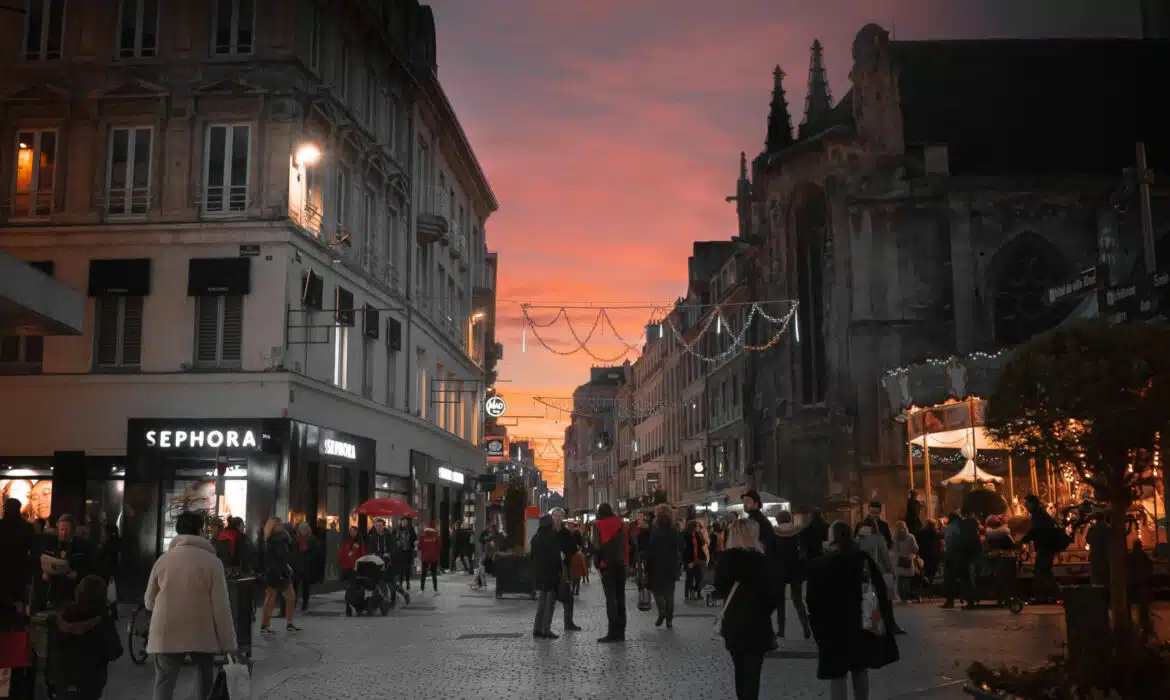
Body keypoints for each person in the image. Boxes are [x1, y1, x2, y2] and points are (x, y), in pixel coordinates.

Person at [145, 511, 237, 700]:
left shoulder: (163, 561)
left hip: (167, 629)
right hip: (201, 630)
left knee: (164, 680)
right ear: (200, 531)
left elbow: (149, 601)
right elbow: (221, 607)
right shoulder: (213, 563)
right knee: (204, 679)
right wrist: (229, 643)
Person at [807, 520, 899, 700]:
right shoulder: (863, 560)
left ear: (832, 538)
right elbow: (880, 591)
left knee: (837, 674)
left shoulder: (821, 564)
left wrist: (816, 627)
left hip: (833, 627)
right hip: (861, 624)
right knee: (859, 669)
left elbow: (813, 600)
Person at [714, 518, 776, 700]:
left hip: (734, 621)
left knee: (740, 670)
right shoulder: (762, 560)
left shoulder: (726, 559)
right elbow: (773, 594)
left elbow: (719, 589)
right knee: (753, 673)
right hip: (758, 622)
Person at [51, 574, 122, 700]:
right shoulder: (101, 620)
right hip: (90, 683)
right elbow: (114, 651)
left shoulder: (64, 616)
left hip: (61, 680)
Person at [592, 503, 628, 643]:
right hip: (620, 565)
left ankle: (612, 633)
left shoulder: (599, 525)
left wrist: (597, 564)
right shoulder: (621, 523)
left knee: (610, 599)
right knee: (620, 598)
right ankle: (621, 632)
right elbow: (628, 544)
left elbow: (597, 547)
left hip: (607, 566)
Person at [41, 514, 94, 609]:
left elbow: (92, 569)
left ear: (74, 531)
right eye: (62, 530)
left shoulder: (84, 546)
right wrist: (45, 572)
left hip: (75, 594)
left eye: (67, 530)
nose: (64, 533)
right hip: (53, 593)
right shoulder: (51, 544)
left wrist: (78, 575)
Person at [1020, 495, 1067, 602]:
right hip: (1045, 547)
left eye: (1027, 504)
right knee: (1043, 571)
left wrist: (1025, 539)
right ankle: (1049, 595)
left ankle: (1054, 594)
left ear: (1032, 503)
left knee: (1042, 571)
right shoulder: (1039, 514)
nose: (1025, 506)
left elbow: (1037, 531)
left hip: (1045, 547)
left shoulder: (1039, 516)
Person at [259, 517, 300, 633]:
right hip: (276, 572)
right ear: (272, 527)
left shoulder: (281, 538)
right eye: (278, 525)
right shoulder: (273, 540)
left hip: (279, 571)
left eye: (280, 524)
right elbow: (276, 557)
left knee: (281, 597)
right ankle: (268, 624)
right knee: (274, 598)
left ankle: (270, 624)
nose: (281, 526)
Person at [774, 510, 811, 639]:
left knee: (780, 602)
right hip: (795, 570)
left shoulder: (775, 533)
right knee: (798, 601)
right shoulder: (797, 532)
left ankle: (781, 630)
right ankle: (805, 627)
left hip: (779, 571)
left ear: (778, 519)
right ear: (789, 519)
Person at [645, 504, 680, 629]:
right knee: (669, 594)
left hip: (657, 566)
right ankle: (669, 620)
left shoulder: (655, 530)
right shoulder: (674, 529)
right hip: (671, 565)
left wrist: (647, 567)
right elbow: (678, 549)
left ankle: (662, 612)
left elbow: (651, 550)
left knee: (658, 592)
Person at [529, 515, 563, 639]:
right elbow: (556, 557)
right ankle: (546, 629)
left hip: (539, 573)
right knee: (550, 602)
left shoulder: (535, 538)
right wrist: (560, 572)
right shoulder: (552, 537)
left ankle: (537, 627)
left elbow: (532, 556)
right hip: (550, 573)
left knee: (542, 601)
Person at [550, 508, 581, 631]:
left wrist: (566, 555)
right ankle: (545, 626)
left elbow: (573, 549)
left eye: (559, 516)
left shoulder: (565, 533)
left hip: (563, 570)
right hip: (550, 569)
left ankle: (568, 623)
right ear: (552, 517)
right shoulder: (548, 532)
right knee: (549, 599)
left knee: (568, 597)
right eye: (555, 516)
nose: (557, 518)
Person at [0, 498, 35, 607]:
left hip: (2, 569)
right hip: (20, 570)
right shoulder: (27, 527)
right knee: (18, 601)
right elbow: (33, 549)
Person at [366, 517, 408, 606]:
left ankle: (399, 596)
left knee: (391, 583)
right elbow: (369, 548)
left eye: (380, 526)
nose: (378, 528)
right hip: (377, 562)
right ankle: (381, 600)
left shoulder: (389, 536)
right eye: (376, 526)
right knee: (380, 581)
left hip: (390, 563)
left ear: (384, 526)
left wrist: (389, 553)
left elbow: (394, 548)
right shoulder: (372, 537)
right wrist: (372, 553)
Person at [292, 521, 321, 612]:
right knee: (294, 586)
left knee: (306, 586)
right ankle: (294, 603)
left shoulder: (312, 539)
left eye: (304, 529)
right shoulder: (295, 539)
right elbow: (292, 552)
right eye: (301, 529)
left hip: (307, 566)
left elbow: (316, 554)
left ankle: (305, 603)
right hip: (296, 565)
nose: (303, 531)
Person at [891, 521, 920, 602]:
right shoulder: (910, 537)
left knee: (899, 580)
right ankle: (906, 597)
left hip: (897, 560)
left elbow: (890, 548)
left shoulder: (893, 537)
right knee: (906, 580)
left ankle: (900, 596)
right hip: (907, 560)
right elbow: (916, 549)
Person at [418, 521, 442, 593]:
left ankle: (421, 589)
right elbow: (440, 546)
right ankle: (435, 589)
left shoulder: (422, 535)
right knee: (434, 573)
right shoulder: (437, 535)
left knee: (423, 573)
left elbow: (419, 547)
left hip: (425, 557)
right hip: (434, 557)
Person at [395, 517, 418, 589]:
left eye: (406, 522)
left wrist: (414, 544)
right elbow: (393, 538)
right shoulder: (396, 529)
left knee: (407, 568)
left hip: (408, 551)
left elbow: (414, 538)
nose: (404, 523)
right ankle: (400, 582)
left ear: (407, 523)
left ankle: (408, 582)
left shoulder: (411, 529)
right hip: (399, 551)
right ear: (401, 522)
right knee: (400, 568)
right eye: (403, 522)